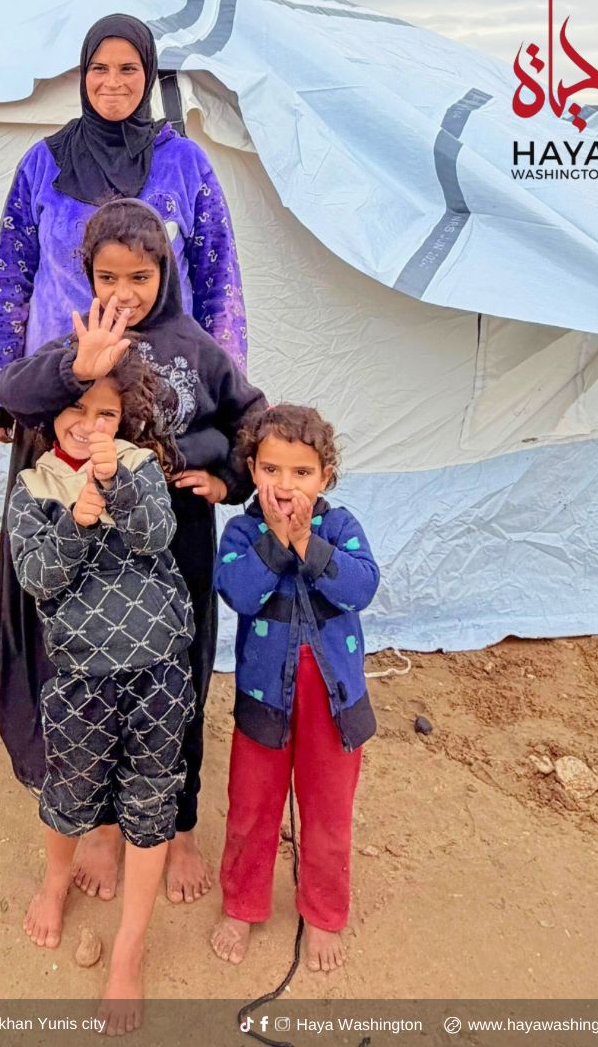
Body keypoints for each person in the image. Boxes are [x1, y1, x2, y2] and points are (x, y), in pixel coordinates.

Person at [0, 10, 248, 904]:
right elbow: (10, 271)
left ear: (149, 74)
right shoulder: (42, 163)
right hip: (66, 410)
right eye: (101, 67)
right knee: (74, 618)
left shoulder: (185, 162)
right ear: (82, 74)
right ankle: (90, 816)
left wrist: (212, 417)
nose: (115, 82)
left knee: (171, 630)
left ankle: (175, 819)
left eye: (130, 68)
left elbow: (220, 278)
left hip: (161, 417)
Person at [0, 198, 265, 902]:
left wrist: (228, 477)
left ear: (164, 272)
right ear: (89, 276)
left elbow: (249, 418)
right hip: (96, 556)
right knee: (97, 688)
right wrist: (74, 368)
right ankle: (107, 827)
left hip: (178, 544)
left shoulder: (195, 347)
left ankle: (179, 825)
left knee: (178, 683)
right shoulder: (80, 342)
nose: (123, 293)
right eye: (108, 278)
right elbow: (13, 396)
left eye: (140, 277)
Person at [8, 344, 193, 1035]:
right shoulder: (36, 487)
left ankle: (130, 949)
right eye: (77, 411)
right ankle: (55, 882)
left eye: (107, 414)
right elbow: (36, 578)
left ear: (126, 419)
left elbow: (157, 536)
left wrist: (117, 485)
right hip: (81, 676)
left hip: (159, 669)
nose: (91, 425)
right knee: (72, 787)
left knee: (150, 798)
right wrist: (76, 520)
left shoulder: (141, 468)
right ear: (52, 416)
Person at [210, 405, 380, 973]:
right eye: (271, 470)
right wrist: (278, 542)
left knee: (328, 813)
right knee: (251, 808)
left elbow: (361, 588)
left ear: (325, 477)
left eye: (302, 472)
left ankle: (324, 913)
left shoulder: (340, 527)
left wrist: (307, 542)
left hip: (334, 704)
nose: (285, 486)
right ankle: (243, 903)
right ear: (252, 470)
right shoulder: (242, 532)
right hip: (266, 702)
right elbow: (238, 592)